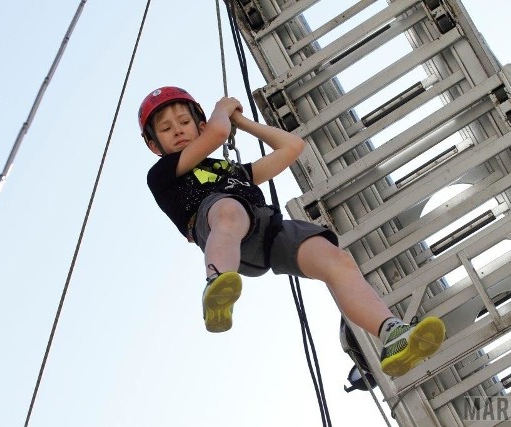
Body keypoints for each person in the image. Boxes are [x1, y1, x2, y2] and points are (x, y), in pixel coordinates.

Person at [138, 86, 445, 377]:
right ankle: (217, 283)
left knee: (335, 260)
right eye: (166, 129)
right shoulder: (163, 174)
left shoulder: (232, 171)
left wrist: (242, 122)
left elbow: (292, 146)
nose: (177, 130)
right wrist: (222, 111)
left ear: (199, 127)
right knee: (229, 210)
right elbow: (219, 133)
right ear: (154, 145)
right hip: (221, 231)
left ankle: (390, 333)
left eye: (183, 122)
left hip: (267, 232)